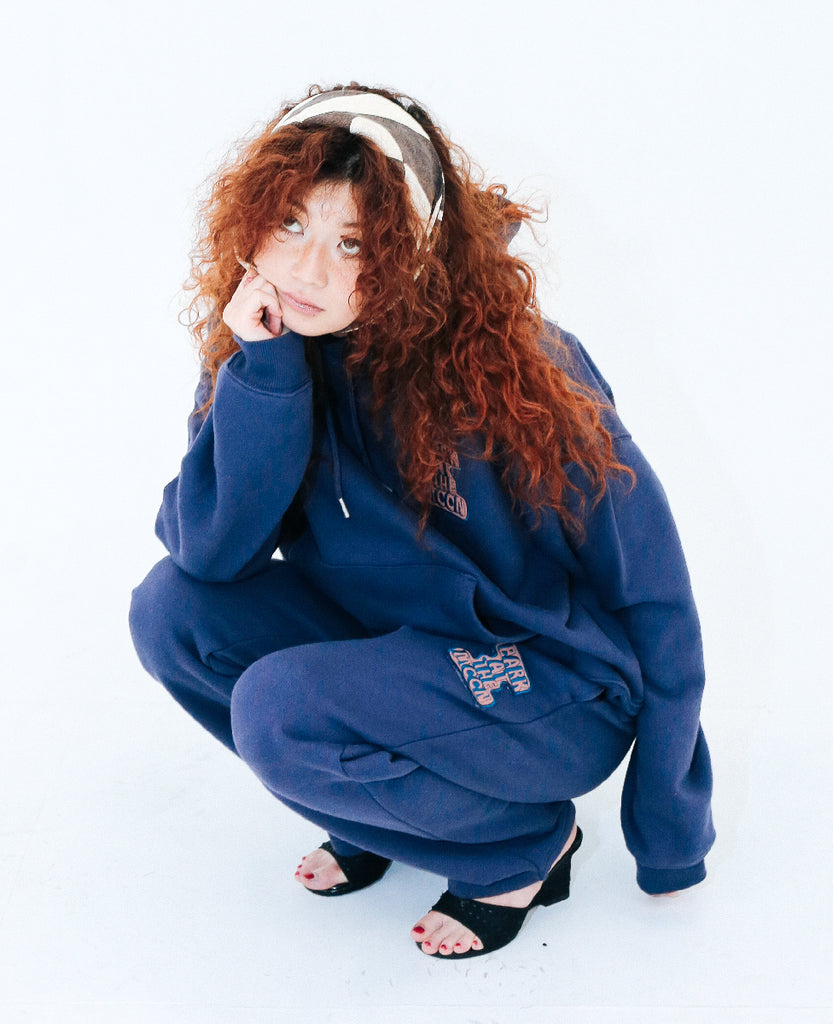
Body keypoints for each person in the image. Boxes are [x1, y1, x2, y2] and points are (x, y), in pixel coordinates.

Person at [129, 83, 714, 959]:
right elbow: (211, 553)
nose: (308, 271)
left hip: (547, 681)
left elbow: (654, 587)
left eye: (354, 242)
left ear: (411, 249)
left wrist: (670, 823)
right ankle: (386, 812)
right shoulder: (266, 345)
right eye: (290, 223)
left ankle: (521, 848)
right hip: (396, 653)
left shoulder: (524, 367)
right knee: (171, 613)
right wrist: (268, 377)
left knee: (281, 711)